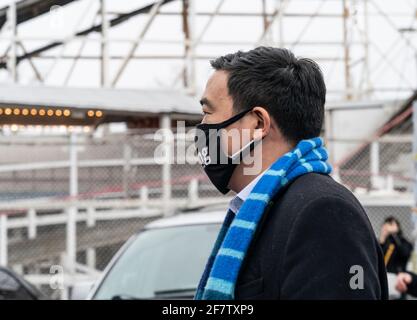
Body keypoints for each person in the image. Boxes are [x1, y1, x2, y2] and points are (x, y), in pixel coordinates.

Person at [193, 46, 388, 300]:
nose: (200, 129)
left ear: (258, 124)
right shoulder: (267, 208)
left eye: (208, 114)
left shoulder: (323, 213)